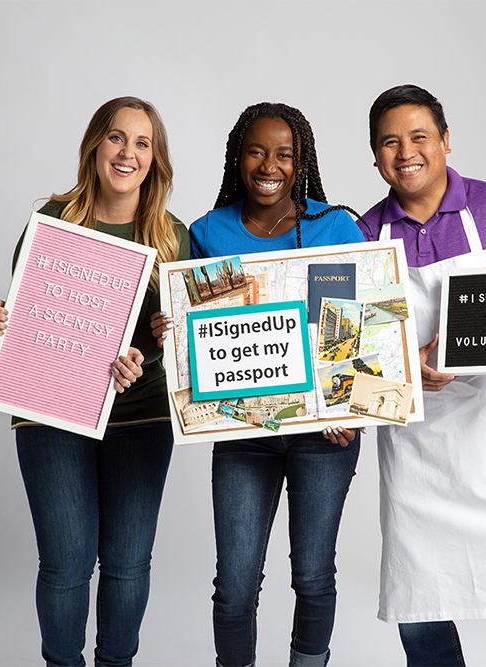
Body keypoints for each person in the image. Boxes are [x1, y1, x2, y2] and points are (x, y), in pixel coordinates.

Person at [357, 85, 486, 667]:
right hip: (416, 443)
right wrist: (405, 365)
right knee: (419, 593)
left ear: (446, 141)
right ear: (375, 157)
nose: (406, 153)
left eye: (419, 137)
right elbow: (353, 343)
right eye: (389, 143)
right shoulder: (366, 233)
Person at [0, 96, 189, 667]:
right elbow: (31, 321)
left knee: (127, 564)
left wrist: (154, 351)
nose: (128, 152)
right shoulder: (51, 219)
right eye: (117, 138)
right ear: (96, 145)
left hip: (141, 417)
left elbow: (180, 340)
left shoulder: (173, 237)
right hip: (52, 413)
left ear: (156, 158)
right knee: (66, 562)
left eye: (143, 143)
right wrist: (1, 325)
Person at [157, 102, 362, 667]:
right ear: (236, 157)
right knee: (236, 585)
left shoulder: (337, 226)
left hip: (327, 435)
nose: (269, 164)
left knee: (314, 574)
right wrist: (170, 328)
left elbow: (358, 324)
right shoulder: (207, 232)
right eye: (256, 150)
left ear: (302, 163)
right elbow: (196, 340)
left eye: (284, 154)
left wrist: (347, 407)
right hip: (243, 432)